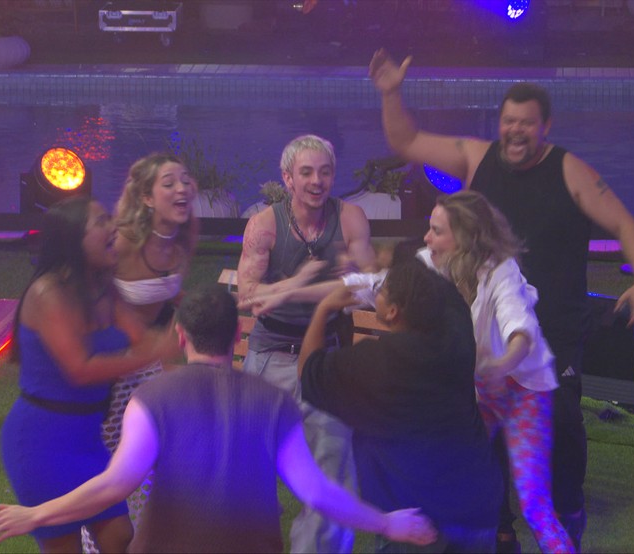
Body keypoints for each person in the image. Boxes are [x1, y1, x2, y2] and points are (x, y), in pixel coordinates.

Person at [369, 49, 634, 552]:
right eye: (509, 121)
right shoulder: (476, 158)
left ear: (545, 126)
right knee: (479, 435)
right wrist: (392, 93)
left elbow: (625, 225)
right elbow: (405, 140)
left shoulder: (570, 171)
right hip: (482, 331)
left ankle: (568, 511)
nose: (516, 131)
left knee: (562, 430)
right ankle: (500, 529)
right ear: (499, 122)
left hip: (552, 335)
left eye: (526, 122)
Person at [0, 284, 439, 554]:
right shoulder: (274, 403)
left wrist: (36, 513)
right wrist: (388, 523)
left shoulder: (152, 400)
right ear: (237, 334)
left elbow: (114, 485)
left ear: (180, 336)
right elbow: (316, 491)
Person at [244, 192, 574, 553]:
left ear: (465, 238)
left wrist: (501, 365)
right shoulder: (429, 264)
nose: (426, 238)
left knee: (533, 502)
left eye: (436, 231)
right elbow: (363, 285)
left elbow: (520, 329)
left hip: (521, 388)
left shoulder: (500, 270)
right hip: (475, 383)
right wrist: (287, 296)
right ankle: (456, 533)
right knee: (457, 467)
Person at [0, 196, 177, 552]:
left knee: (118, 534)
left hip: (87, 438)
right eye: (101, 222)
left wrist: (178, 332)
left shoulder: (105, 290)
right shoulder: (48, 293)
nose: (113, 228)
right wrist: (152, 353)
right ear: (73, 239)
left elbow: (143, 340)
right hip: (41, 441)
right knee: (65, 546)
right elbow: (81, 369)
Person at [298, 260, 504, 553]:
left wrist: (323, 309)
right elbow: (442, 288)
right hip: (477, 504)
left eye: (380, 290)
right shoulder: (457, 330)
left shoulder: (375, 363)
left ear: (393, 311)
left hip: (417, 521)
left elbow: (308, 371)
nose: (375, 292)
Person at [236, 134, 377, 553]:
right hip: (270, 356)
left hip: (324, 361)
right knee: (249, 476)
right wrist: (306, 282)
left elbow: (368, 288)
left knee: (333, 474)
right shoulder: (264, 225)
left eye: (325, 172)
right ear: (288, 178)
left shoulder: (350, 218)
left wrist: (289, 291)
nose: (317, 181)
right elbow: (248, 297)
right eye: (307, 172)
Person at [94, 153, 199, 530]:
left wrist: (190, 308)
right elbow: (93, 297)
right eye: (169, 183)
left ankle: (147, 538)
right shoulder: (121, 242)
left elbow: (165, 294)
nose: (182, 188)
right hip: (111, 367)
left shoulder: (183, 241)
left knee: (157, 458)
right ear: (147, 198)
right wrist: (140, 339)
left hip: (151, 365)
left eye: (184, 180)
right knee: (111, 462)